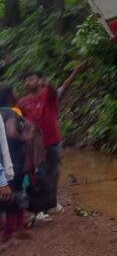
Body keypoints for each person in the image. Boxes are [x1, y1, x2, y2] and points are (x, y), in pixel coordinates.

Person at [18, 63, 83, 221]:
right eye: (26, 80)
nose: (28, 83)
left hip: (53, 142)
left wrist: (74, 73)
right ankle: (39, 210)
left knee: (54, 174)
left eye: (31, 79)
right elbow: (17, 122)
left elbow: (63, 86)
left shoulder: (49, 94)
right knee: (39, 177)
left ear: (40, 81)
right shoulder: (22, 102)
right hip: (35, 147)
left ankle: (51, 204)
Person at [0, 85, 31, 242]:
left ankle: (14, 228)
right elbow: (11, 132)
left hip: (2, 160)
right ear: (9, 96)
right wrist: (27, 137)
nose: (17, 94)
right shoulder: (11, 113)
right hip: (14, 160)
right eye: (15, 92)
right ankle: (11, 232)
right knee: (16, 193)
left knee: (6, 193)